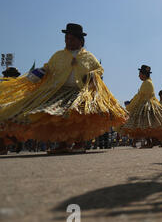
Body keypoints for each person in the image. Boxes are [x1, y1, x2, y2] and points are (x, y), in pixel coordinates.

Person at [0, 23, 127, 154]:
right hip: (60, 92)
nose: (67, 41)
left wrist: (92, 75)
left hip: (80, 93)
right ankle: (62, 144)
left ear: (80, 40)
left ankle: (79, 143)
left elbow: (99, 70)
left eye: (71, 39)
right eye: (66, 39)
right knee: (58, 115)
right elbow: (48, 67)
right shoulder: (58, 55)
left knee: (78, 115)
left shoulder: (88, 57)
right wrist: (39, 73)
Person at [121, 65, 162, 148]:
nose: (139, 76)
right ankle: (151, 141)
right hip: (149, 104)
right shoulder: (149, 82)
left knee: (144, 124)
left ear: (144, 74)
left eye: (140, 74)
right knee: (147, 124)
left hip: (146, 106)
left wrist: (130, 106)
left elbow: (139, 96)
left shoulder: (146, 83)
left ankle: (150, 142)